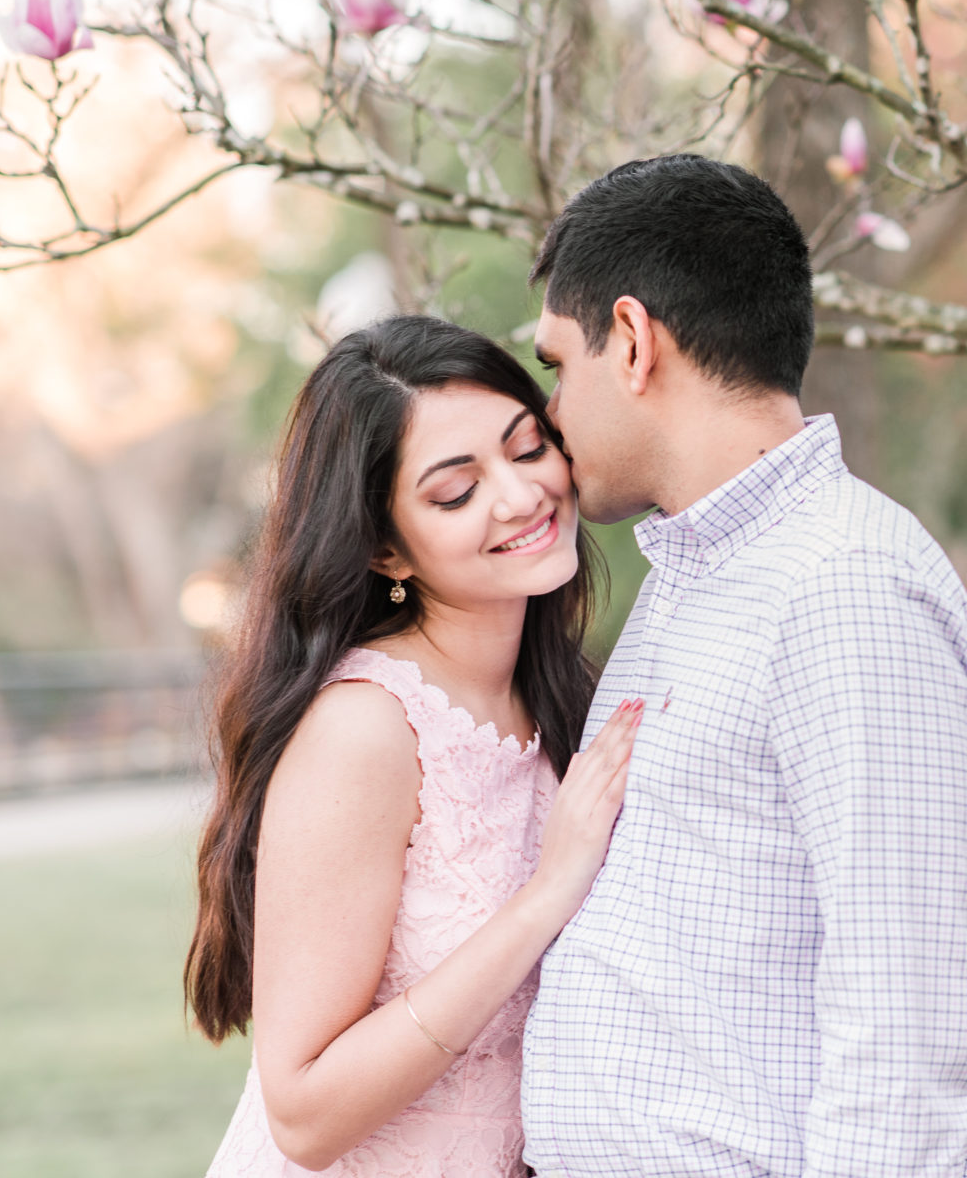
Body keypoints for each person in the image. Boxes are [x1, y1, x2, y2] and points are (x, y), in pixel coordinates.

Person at [522, 153, 967, 1178]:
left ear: (634, 341)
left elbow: (904, 1035)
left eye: (558, 363)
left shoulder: (847, 589)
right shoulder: (697, 572)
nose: (552, 411)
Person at [190, 314, 642, 1177]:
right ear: (388, 548)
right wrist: (545, 895)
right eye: (455, 491)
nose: (519, 497)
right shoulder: (365, 730)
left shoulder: (563, 698)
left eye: (526, 447)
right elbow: (305, 1113)